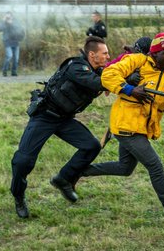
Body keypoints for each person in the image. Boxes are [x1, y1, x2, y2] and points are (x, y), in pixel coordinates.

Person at [77, 32, 164, 227]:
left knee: (125, 168)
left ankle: (79, 171)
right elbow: (108, 74)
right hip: (126, 126)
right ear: (154, 54)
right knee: (155, 166)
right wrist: (130, 89)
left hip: (140, 128)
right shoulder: (137, 60)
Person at [10, 36, 110, 218]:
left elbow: (107, 76)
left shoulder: (99, 71)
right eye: (105, 53)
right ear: (92, 54)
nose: (108, 56)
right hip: (45, 116)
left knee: (92, 146)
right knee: (23, 162)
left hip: (64, 119)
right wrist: (114, 84)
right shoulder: (76, 66)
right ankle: (18, 195)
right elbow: (93, 82)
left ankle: (63, 179)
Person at [0, 11, 25, 76]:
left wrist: (11, 23)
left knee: (16, 58)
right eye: (7, 16)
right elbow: (0, 29)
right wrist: (3, 21)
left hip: (16, 42)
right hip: (7, 42)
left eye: (9, 16)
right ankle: (4, 71)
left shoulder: (15, 21)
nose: (8, 18)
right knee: (9, 56)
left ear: (12, 16)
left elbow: (19, 28)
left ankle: (14, 72)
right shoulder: (4, 22)